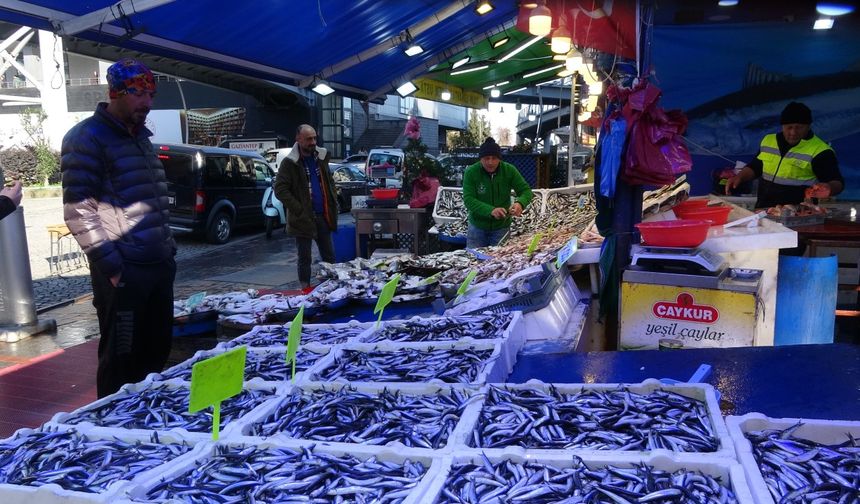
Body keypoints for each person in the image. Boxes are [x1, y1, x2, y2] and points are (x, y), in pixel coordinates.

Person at [61, 59, 176, 398]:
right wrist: (112, 268)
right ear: (117, 93)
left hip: (157, 266)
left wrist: (168, 250)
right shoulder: (87, 137)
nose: (148, 103)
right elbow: (79, 210)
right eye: (139, 94)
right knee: (121, 359)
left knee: (157, 351)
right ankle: (111, 428)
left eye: (151, 94)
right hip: (125, 272)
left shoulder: (141, 138)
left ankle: (145, 421)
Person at [725, 101, 844, 208]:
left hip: (799, 213)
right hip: (764, 209)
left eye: (799, 128)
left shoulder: (821, 150)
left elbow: (837, 181)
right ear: (782, 126)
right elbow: (756, 166)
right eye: (789, 127)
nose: (793, 132)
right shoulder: (768, 140)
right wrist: (739, 177)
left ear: (808, 126)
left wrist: (829, 188)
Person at [274, 124, 338, 289]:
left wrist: (332, 203)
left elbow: (329, 183)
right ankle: (305, 290)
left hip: (323, 215)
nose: (313, 142)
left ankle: (331, 289)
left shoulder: (321, 157)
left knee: (329, 257)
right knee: (304, 258)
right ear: (298, 139)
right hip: (303, 219)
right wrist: (298, 210)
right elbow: (280, 190)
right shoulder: (290, 163)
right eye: (309, 139)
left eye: (314, 138)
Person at [462, 137, 534, 248]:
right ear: (480, 159)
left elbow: (526, 191)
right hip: (477, 229)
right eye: (486, 158)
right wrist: (491, 210)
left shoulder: (509, 170)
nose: (490, 162)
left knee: (499, 262)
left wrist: (520, 203)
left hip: (501, 228)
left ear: (499, 158)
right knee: (474, 261)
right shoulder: (471, 172)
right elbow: (468, 200)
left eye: (494, 158)